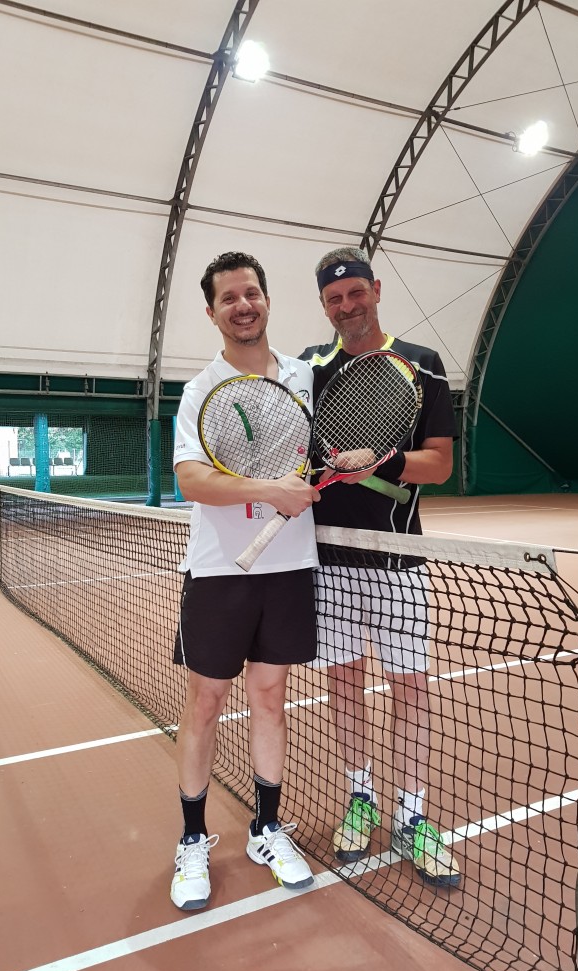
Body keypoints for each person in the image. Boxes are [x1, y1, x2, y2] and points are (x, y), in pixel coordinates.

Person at [300, 246, 461, 888]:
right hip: (329, 560)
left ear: (375, 290)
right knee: (343, 681)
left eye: (355, 293)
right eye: (334, 298)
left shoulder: (422, 366)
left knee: (410, 686)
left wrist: (384, 460)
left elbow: (440, 465)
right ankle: (360, 796)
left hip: (398, 560)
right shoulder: (311, 370)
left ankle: (413, 814)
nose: (347, 306)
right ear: (324, 305)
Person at [171, 251, 320, 911]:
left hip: (288, 570)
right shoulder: (201, 389)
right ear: (212, 312)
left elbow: (316, 453)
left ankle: (266, 829)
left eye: (251, 293)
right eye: (229, 297)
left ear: (266, 299)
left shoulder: (304, 378)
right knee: (205, 703)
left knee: (269, 698)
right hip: (219, 573)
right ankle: (192, 839)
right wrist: (269, 490)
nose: (243, 305)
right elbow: (191, 479)